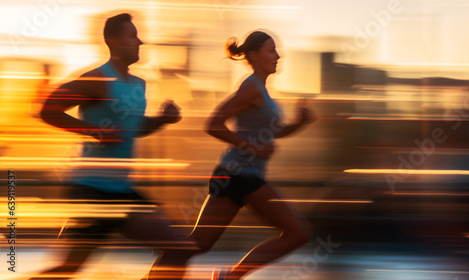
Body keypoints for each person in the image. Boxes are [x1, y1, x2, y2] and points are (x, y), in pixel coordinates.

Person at [33, 13, 192, 280]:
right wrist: (94, 131)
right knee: (68, 269)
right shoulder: (98, 79)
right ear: (113, 41)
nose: (140, 41)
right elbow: (49, 108)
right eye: (132, 35)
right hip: (91, 192)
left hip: (121, 190)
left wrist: (163, 120)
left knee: (180, 249)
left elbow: (134, 129)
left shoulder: (138, 84)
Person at [151, 30, 315, 280]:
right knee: (298, 233)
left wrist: (300, 123)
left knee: (198, 244)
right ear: (254, 55)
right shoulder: (251, 88)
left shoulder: (261, 90)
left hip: (242, 176)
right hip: (236, 175)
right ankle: (230, 277)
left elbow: (274, 133)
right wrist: (252, 147)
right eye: (271, 50)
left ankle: (226, 276)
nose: (278, 55)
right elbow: (213, 124)